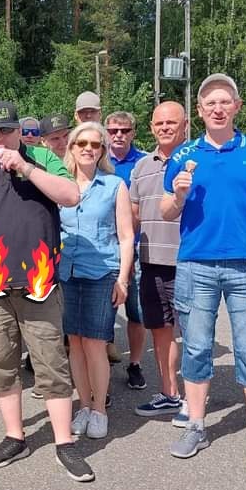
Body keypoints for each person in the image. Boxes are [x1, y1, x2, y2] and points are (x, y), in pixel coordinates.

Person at [0, 100, 95, 482]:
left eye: (6, 131)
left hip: (39, 287)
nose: (0, 139)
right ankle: (15, 437)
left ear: (19, 133)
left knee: (51, 365)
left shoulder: (42, 158)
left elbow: (71, 195)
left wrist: (25, 168)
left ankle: (64, 443)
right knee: (0, 366)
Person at [161, 73, 246, 474]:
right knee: (196, 348)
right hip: (196, 264)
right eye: (210, 103)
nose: (217, 109)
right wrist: (179, 195)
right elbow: (166, 211)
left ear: (237, 106)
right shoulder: (183, 155)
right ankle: (196, 426)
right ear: (199, 111)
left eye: (224, 102)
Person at [59, 122, 134, 440]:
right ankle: (85, 406)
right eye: (82, 143)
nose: (88, 149)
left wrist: (123, 279)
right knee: (74, 343)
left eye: (95, 144)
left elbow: (126, 236)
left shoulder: (114, 185)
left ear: (103, 150)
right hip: (66, 274)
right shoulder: (61, 186)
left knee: (94, 344)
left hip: (102, 273)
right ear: (72, 148)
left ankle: (100, 409)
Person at [131, 102, 190, 424]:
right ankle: (170, 393)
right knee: (160, 330)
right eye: (159, 123)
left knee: (194, 334)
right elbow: (134, 216)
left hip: (189, 261)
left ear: (185, 124)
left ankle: (193, 399)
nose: (165, 128)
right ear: (151, 127)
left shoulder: (197, 160)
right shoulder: (141, 167)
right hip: (151, 261)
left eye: (171, 122)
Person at [105, 111, 148, 388]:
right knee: (103, 312)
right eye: (113, 130)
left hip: (136, 246)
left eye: (124, 130)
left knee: (136, 311)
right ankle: (102, 373)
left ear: (133, 132)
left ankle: (135, 363)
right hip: (105, 248)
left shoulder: (143, 163)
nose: (118, 135)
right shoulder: (98, 160)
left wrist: (130, 252)